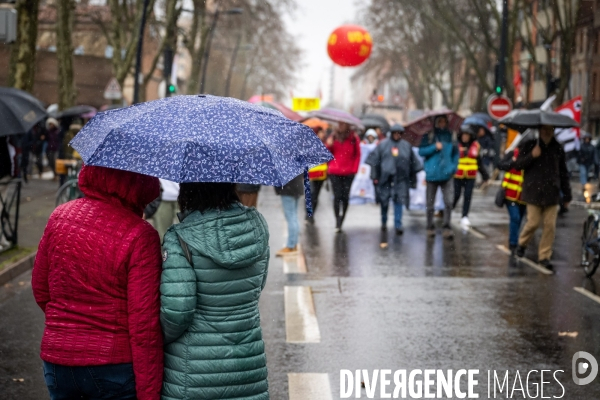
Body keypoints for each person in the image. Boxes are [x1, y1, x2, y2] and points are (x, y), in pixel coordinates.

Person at [31, 165, 163, 400]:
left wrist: (68, 326)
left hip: (57, 362)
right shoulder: (141, 236)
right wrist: (149, 394)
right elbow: (144, 325)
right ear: (141, 182)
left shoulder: (59, 217)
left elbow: (42, 289)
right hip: (112, 366)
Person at [160, 182, 269, 400]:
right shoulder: (257, 224)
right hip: (248, 364)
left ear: (188, 191)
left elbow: (177, 311)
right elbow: (259, 284)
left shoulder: (180, 237)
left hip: (194, 369)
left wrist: (160, 339)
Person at [513, 126, 572, 271]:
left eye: (550, 130)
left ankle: (544, 256)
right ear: (539, 131)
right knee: (533, 223)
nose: (547, 132)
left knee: (549, 226)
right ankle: (522, 243)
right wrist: (532, 156)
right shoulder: (530, 145)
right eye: (545, 130)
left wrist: (567, 194)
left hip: (552, 193)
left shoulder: (557, 148)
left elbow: (564, 172)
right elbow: (518, 165)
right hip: (533, 192)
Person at [367, 124, 422, 235]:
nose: (397, 135)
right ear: (391, 133)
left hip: (401, 179)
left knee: (399, 201)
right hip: (385, 179)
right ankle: (384, 222)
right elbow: (374, 161)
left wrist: (412, 179)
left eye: (399, 133)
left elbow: (413, 163)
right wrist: (375, 177)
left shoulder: (406, 146)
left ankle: (398, 224)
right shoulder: (383, 145)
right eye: (395, 133)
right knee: (384, 202)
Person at [419, 115, 459, 239]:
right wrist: (434, 147)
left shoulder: (451, 136)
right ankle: (429, 226)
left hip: (447, 175)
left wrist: (453, 167)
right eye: (439, 121)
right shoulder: (429, 136)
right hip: (432, 174)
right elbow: (421, 151)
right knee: (430, 203)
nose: (442, 124)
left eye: (444, 121)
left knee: (448, 202)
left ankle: (447, 226)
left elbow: (456, 153)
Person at [326, 121, 361, 232]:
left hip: (348, 172)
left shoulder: (353, 138)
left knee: (345, 197)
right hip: (335, 171)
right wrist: (328, 145)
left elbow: (358, 155)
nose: (340, 126)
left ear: (348, 125)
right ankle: (337, 221)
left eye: (342, 124)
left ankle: (342, 218)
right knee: (337, 196)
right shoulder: (333, 136)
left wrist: (354, 169)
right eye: (339, 124)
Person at [453, 125, 489, 229]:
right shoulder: (457, 145)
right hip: (458, 175)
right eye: (463, 135)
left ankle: (465, 216)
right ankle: (449, 208)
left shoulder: (476, 146)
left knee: (467, 196)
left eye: (467, 135)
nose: (465, 137)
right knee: (456, 195)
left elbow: (479, 162)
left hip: (470, 176)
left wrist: (485, 175)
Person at [498, 148, 527, 254]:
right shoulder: (513, 153)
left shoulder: (533, 156)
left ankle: (515, 239)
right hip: (510, 194)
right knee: (515, 217)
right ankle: (513, 243)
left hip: (524, 197)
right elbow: (501, 165)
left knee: (519, 220)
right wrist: (512, 161)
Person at [274, 174, 304, 256]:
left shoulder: (284, 161)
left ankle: (290, 246)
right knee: (294, 216)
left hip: (288, 189)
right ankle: (294, 245)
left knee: (291, 217)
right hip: (297, 187)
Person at [349, 129, 379, 205]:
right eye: (369, 137)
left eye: (372, 137)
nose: (370, 138)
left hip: (371, 167)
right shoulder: (363, 145)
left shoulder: (377, 146)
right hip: (363, 167)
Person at [306, 125, 328, 223]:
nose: (323, 134)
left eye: (323, 132)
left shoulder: (326, 144)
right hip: (311, 174)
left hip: (321, 174)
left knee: (316, 196)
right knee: (311, 195)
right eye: (321, 132)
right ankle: (309, 215)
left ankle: (311, 214)